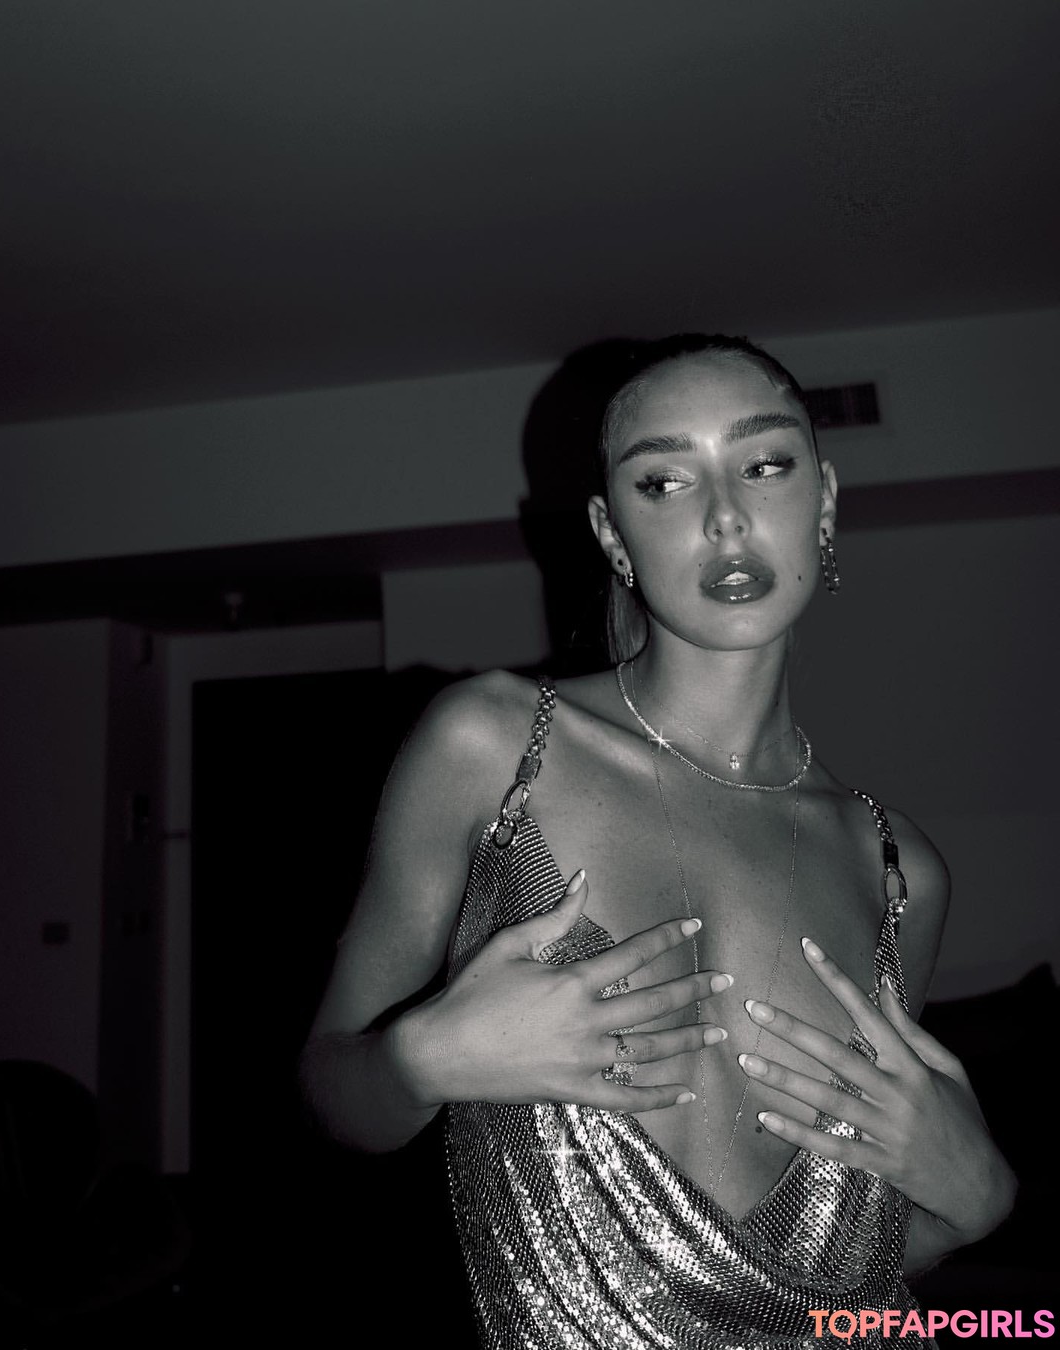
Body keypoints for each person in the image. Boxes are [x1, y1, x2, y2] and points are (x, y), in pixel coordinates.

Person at [300, 335, 1016, 1347]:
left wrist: (977, 1200)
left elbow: (845, 1270)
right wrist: (422, 1060)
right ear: (612, 532)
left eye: (765, 464)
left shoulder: (900, 870)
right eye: (665, 481)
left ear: (823, 502)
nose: (725, 515)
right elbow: (332, 1089)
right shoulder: (497, 747)